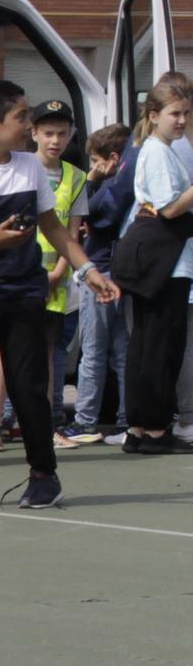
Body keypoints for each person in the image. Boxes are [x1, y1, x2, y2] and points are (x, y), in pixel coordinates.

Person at [0, 79, 118, 509]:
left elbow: (52, 227)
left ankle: (44, 476)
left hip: (24, 292)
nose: (30, 125)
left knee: (31, 389)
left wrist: (88, 270)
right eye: (22, 117)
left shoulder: (30, 168)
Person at [116, 78, 193, 455]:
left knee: (148, 344)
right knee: (161, 344)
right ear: (154, 115)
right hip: (166, 261)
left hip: (165, 259)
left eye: (185, 113)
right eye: (174, 113)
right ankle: (155, 429)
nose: (181, 121)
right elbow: (169, 207)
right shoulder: (159, 152)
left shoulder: (162, 149)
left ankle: (140, 426)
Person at [63, 124, 132, 445]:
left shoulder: (112, 186)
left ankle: (86, 419)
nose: (92, 168)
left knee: (92, 351)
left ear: (112, 159)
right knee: (122, 351)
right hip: (120, 273)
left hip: (100, 273)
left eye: (95, 161)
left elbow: (90, 212)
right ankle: (125, 418)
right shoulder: (127, 182)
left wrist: (92, 178)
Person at [25, 100, 88, 438]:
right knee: (11, 349)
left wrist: (61, 269)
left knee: (48, 351)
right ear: (33, 133)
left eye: (62, 134)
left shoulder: (76, 177)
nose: (55, 140)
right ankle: (0, 420)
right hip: (19, 274)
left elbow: (72, 230)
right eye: (48, 133)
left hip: (55, 280)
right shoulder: (20, 168)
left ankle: (46, 424)